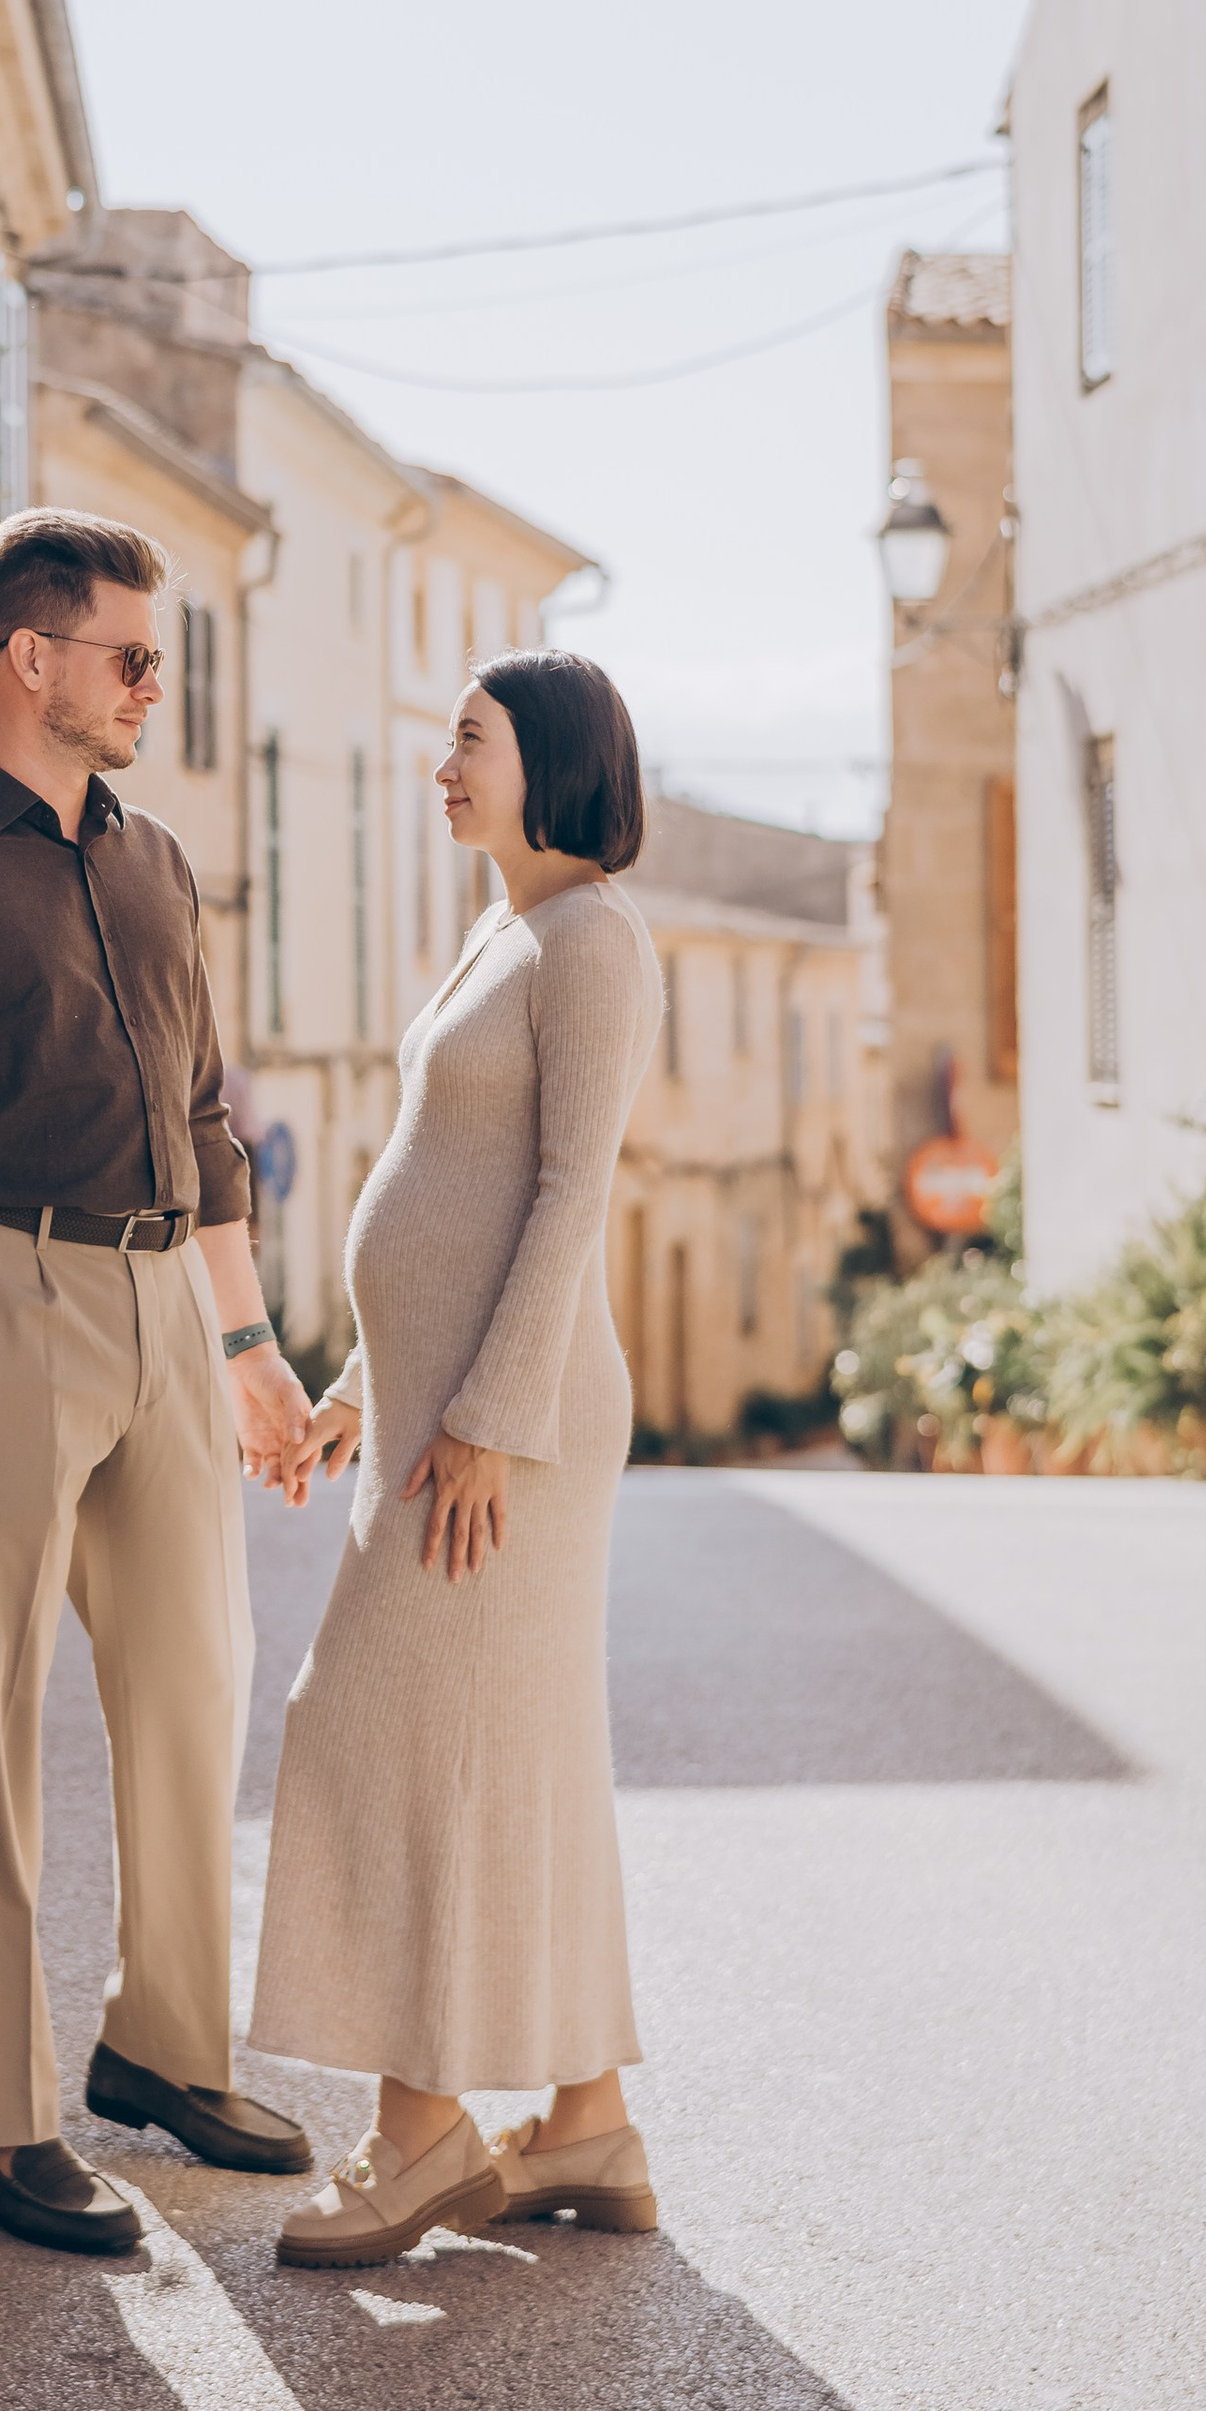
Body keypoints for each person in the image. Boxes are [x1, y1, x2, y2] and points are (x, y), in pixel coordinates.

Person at [0, 510, 324, 2255]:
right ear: (32, 661)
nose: (151, 686)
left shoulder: (159, 865)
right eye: (130, 656)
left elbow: (205, 1119)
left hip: (162, 1303)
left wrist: (248, 1349)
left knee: (196, 1678)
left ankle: (166, 2052)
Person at [249, 648, 667, 2266]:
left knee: (385, 1733)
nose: (443, 766)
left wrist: (491, 1416)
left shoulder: (595, 942)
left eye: (469, 743)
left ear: (548, 762)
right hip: (439, 1415)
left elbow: (568, 1197)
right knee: (513, 1753)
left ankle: (419, 2140)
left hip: (512, 1431)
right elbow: (453, 1189)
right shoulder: (508, 927)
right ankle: (587, 2124)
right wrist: (371, 1375)